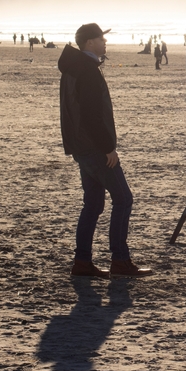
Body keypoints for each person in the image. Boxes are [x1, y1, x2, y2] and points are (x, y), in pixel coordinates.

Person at [59, 23, 153, 278]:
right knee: (123, 199)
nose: (105, 43)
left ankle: (82, 262)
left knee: (93, 204)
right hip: (93, 148)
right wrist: (108, 148)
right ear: (90, 42)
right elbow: (91, 115)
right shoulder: (86, 70)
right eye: (101, 39)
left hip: (80, 146)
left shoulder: (73, 68)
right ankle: (120, 261)